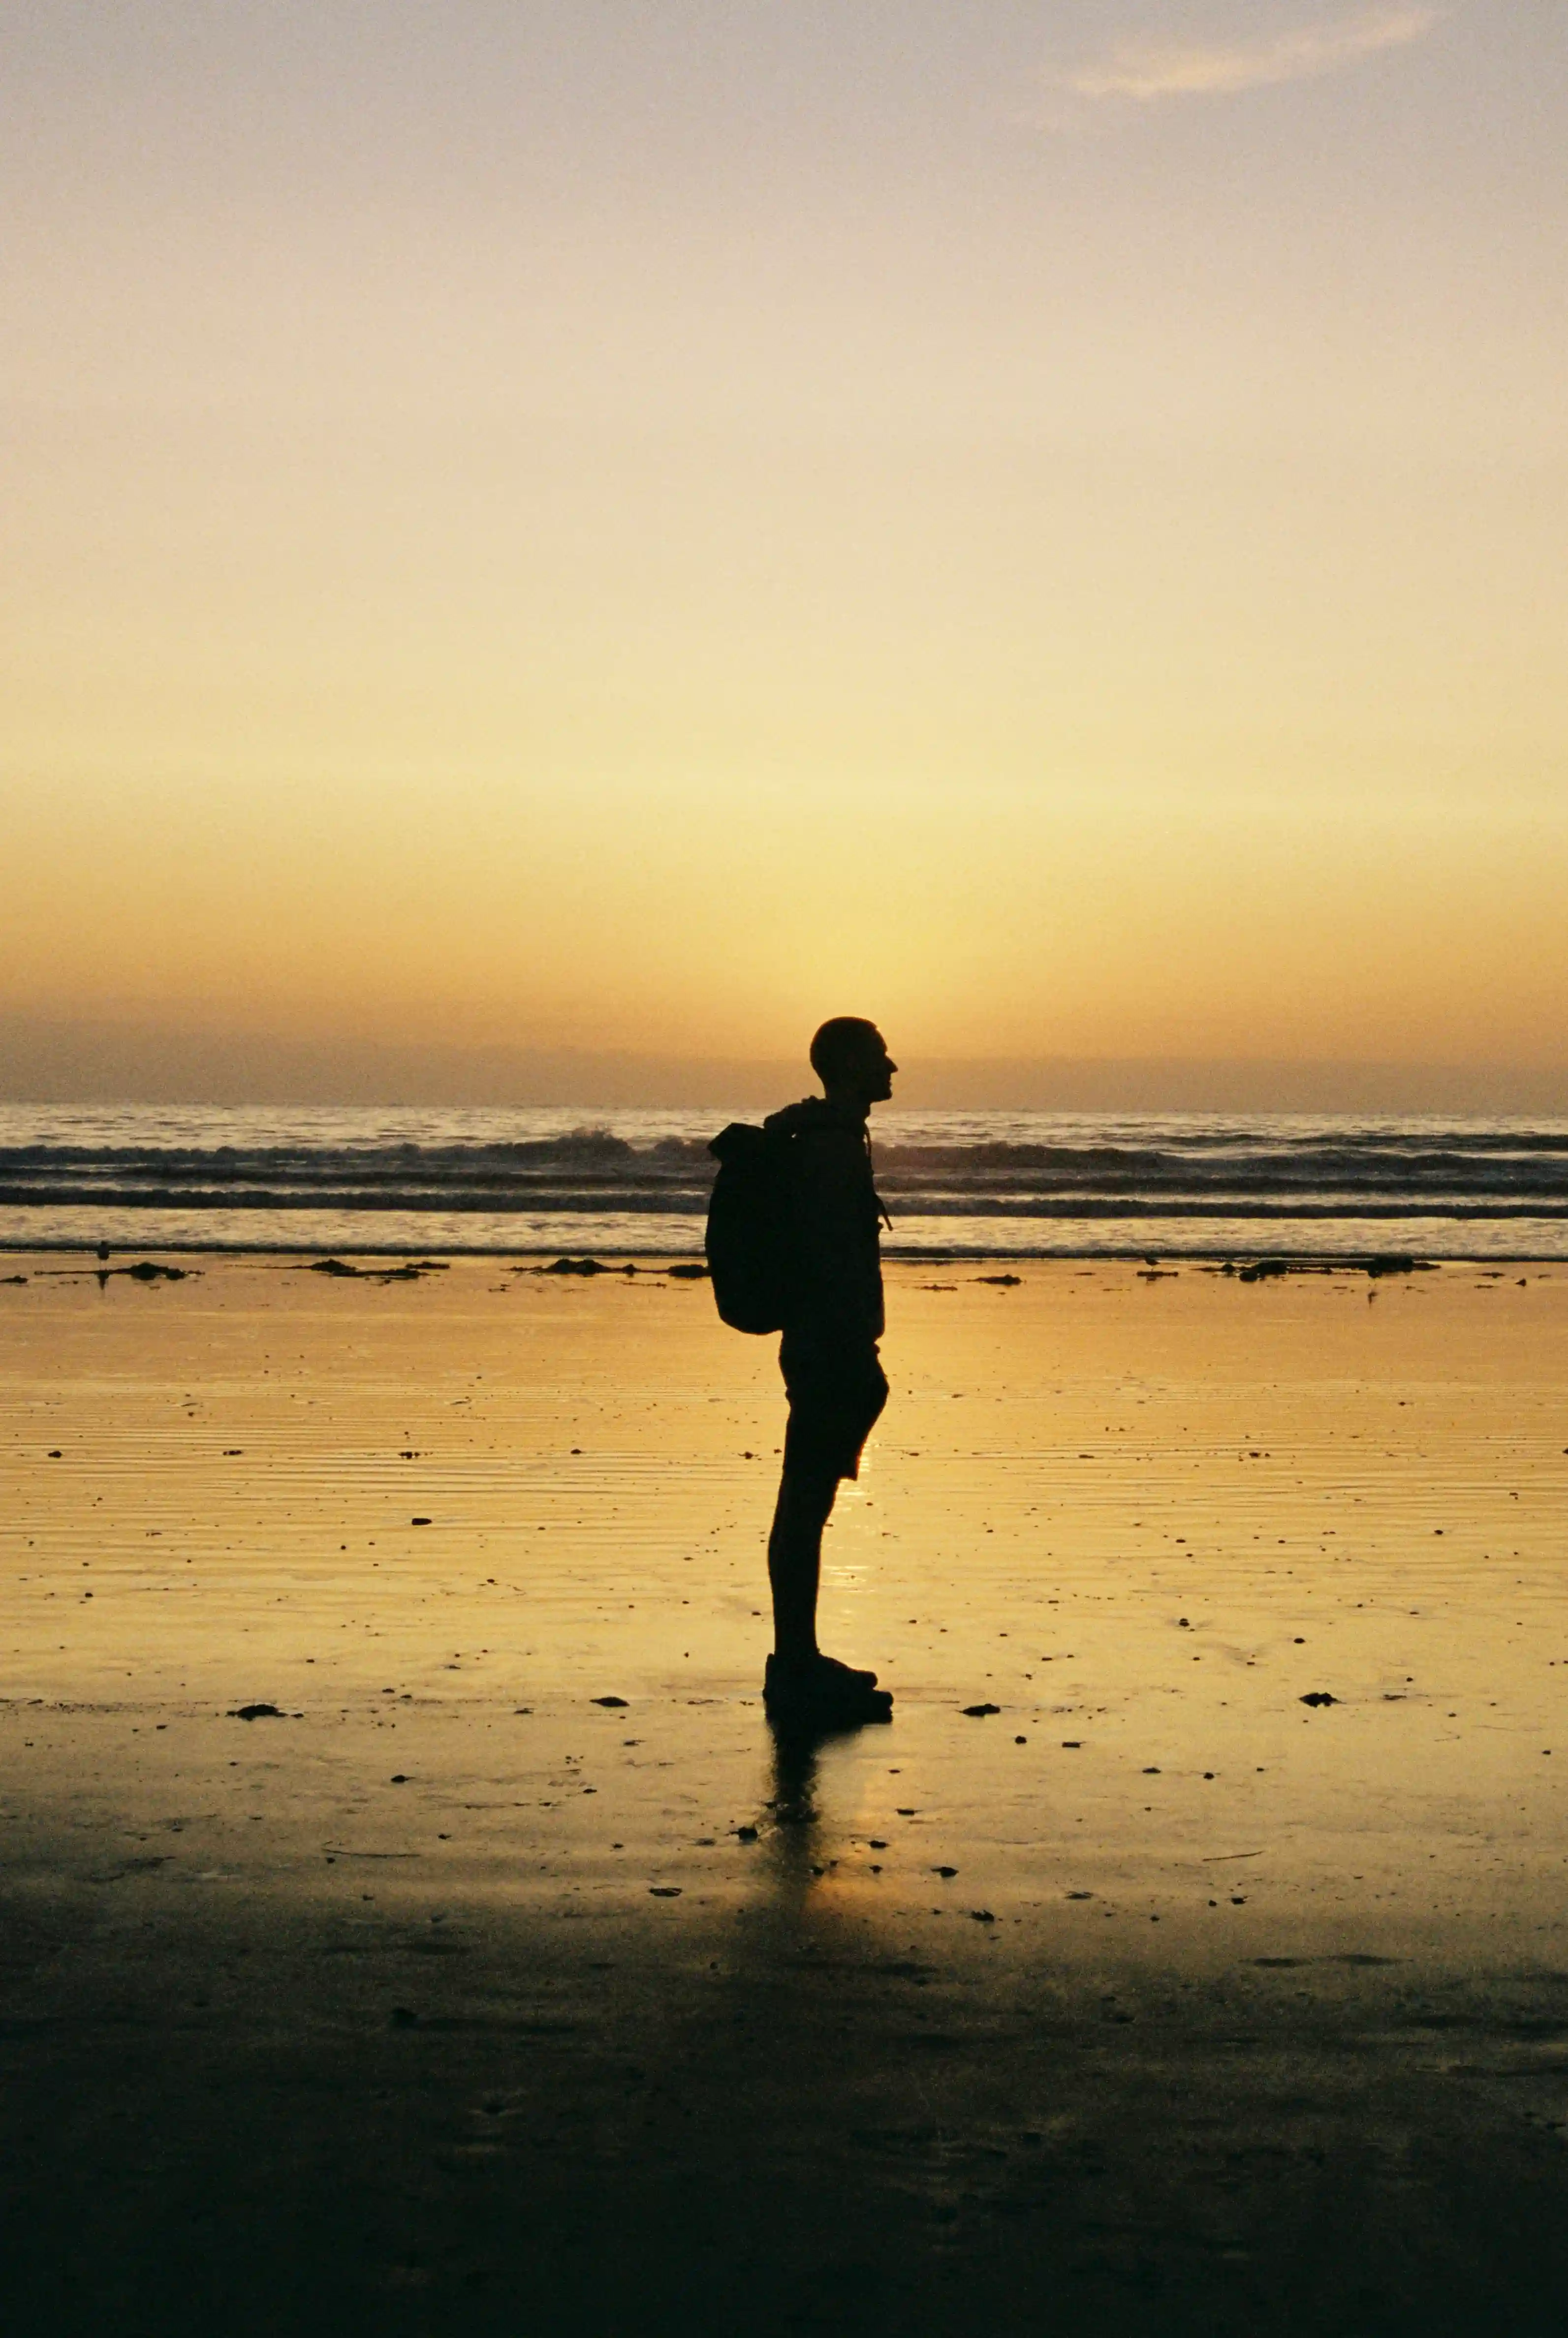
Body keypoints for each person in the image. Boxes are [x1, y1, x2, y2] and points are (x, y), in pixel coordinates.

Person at [761, 1018, 897, 1724]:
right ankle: (794, 1666)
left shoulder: (830, 1135)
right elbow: (829, 1257)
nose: (893, 1065)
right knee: (804, 1507)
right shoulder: (828, 1146)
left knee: (806, 1506)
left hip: (828, 1349)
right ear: (848, 1065)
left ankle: (798, 1659)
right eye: (878, 1055)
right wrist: (850, 1354)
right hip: (825, 1351)